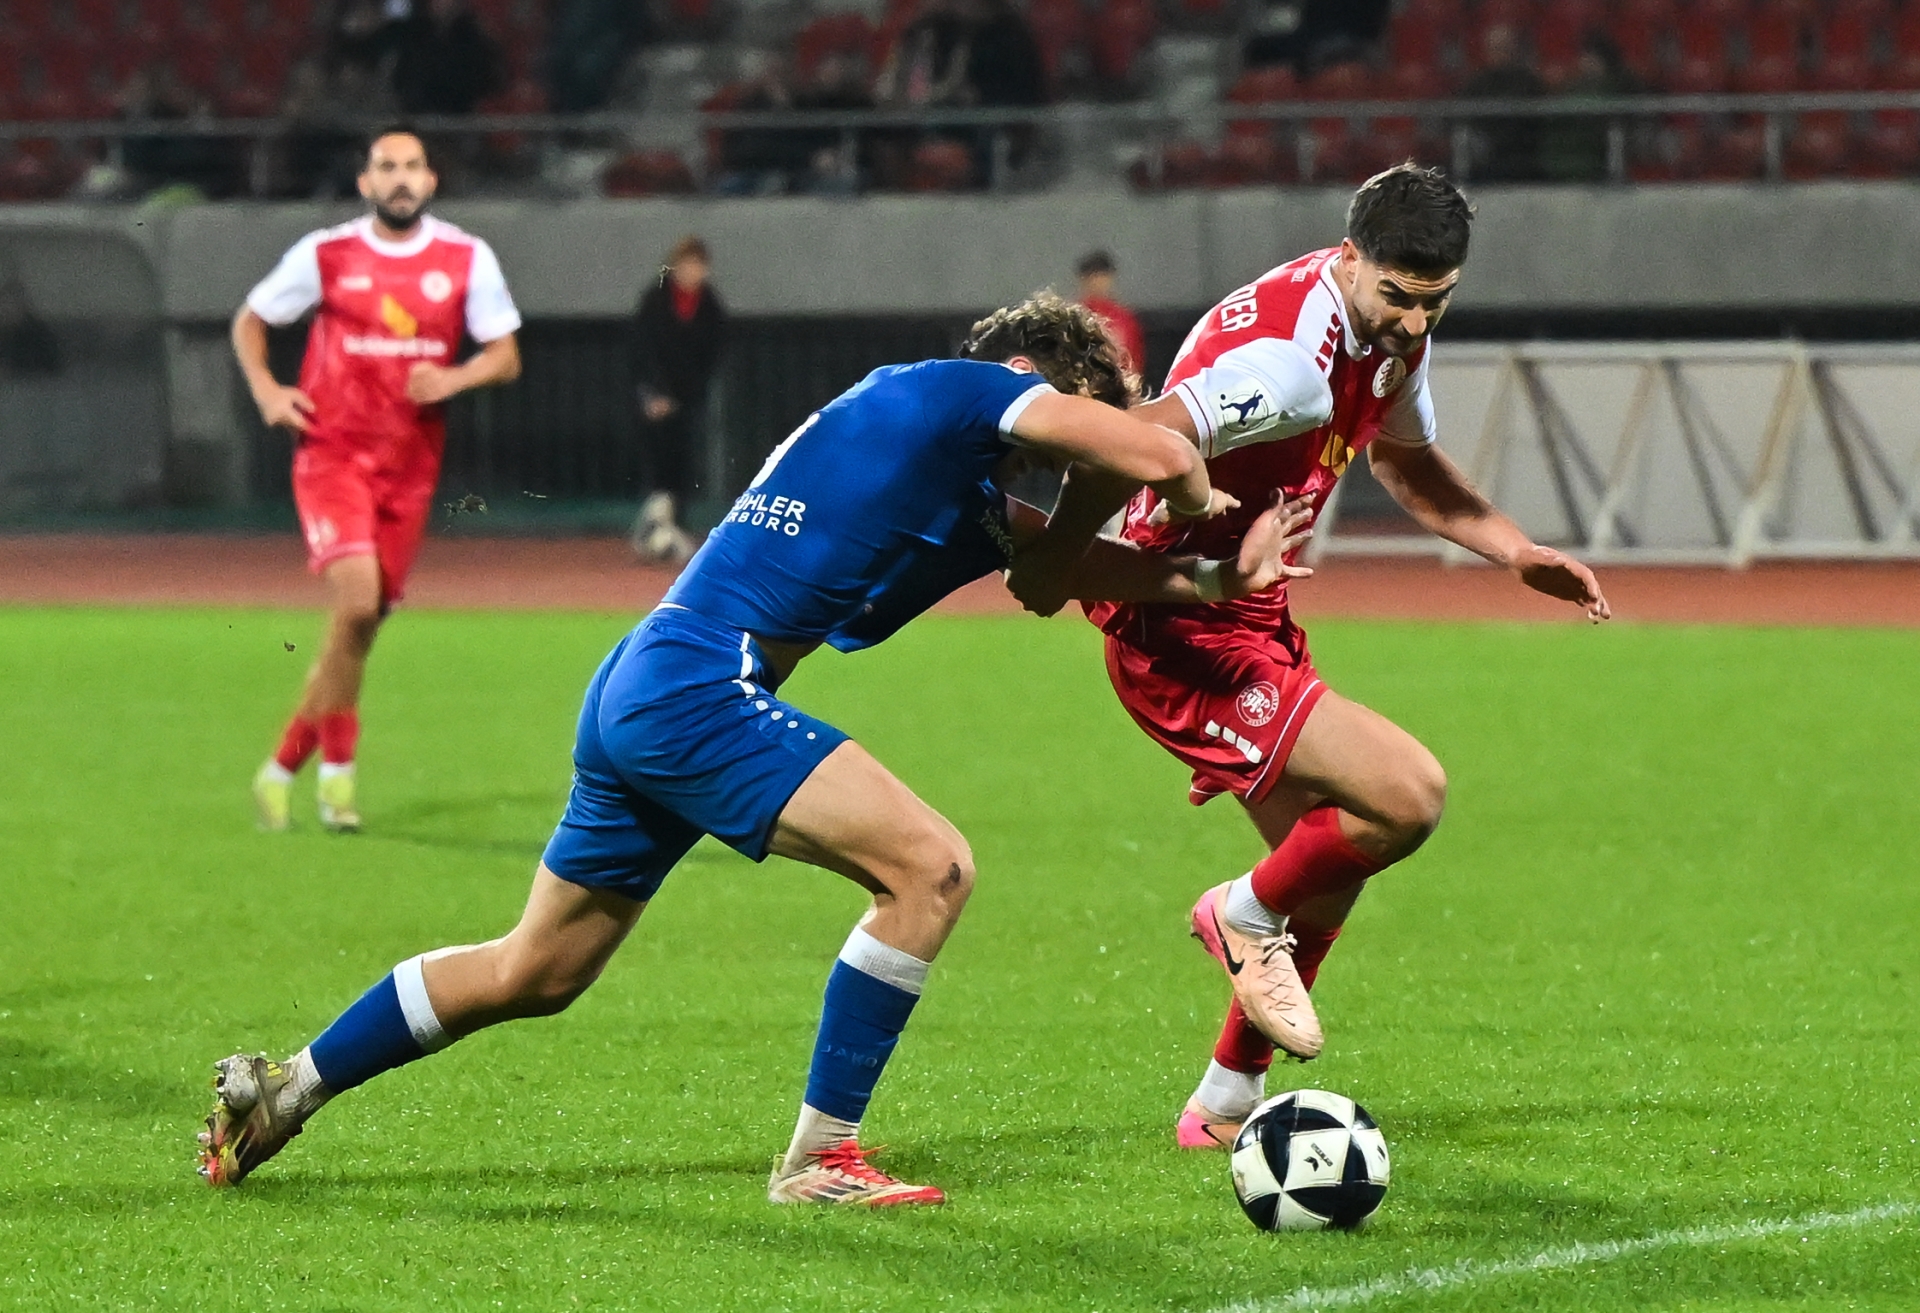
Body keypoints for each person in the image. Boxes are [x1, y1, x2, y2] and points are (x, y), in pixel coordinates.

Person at [195, 293, 1316, 1206]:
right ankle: (821, 1158)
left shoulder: (944, 458)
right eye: (1066, 436)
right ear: (1039, 382)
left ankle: (290, 1087)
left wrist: (1221, 575)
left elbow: (1057, 572)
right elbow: (1150, 454)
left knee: (535, 969)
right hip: (699, 682)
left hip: (648, 675)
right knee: (929, 867)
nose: (1061, 476)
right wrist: (1192, 484)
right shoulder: (974, 388)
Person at [1008, 164, 1610, 1151]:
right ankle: (1236, 911)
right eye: (1399, 297)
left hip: (1251, 611)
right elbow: (1132, 440)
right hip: (1179, 625)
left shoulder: (1389, 333)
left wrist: (1514, 549)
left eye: (1436, 301)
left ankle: (1222, 1106)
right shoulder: (1289, 362)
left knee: (1329, 867)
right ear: (1349, 258)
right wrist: (1064, 553)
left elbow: (1405, 463)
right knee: (1406, 795)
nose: (1415, 321)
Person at [235, 126, 523, 833]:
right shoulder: (326, 253)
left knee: (356, 630)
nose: (400, 178)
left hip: (410, 467)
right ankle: (337, 778)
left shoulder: (465, 257)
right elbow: (251, 320)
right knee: (358, 603)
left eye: (412, 166)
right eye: (386, 167)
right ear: (365, 183)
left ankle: (281, 769)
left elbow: (505, 356)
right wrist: (268, 391)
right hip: (332, 453)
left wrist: (453, 377)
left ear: (430, 180)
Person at [629, 235, 726, 562]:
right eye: (686, 264)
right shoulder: (655, 301)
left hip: (686, 401)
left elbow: (710, 358)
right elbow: (642, 351)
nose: (691, 271)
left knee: (682, 465)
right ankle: (653, 528)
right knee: (657, 463)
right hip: (652, 399)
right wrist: (654, 394)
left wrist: (683, 397)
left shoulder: (711, 307)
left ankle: (672, 529)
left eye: (698, 265)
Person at [1074, 249, 1147, 380]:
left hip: (1119, 384)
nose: (1097, 282)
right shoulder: (1073, 317)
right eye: (1093, 276)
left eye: (1102, 276)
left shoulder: (1125, 319)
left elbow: (1136, 360)